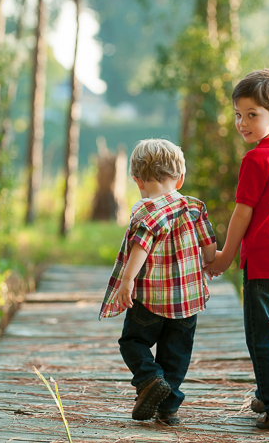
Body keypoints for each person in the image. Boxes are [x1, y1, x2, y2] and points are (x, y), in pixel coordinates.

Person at [204, 69, 269, 432]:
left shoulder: (256, 159)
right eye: (238, 114)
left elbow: (242, 213)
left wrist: (223, 256)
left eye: (252, 115)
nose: (242, 123)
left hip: (266, 261)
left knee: (261, 335)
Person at [98, 138, 217, 426]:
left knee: (133, 341)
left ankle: (150, 379)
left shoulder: (146, 211)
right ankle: (169, 409)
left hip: (151, 299)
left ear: (137, 179)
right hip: (187, 300)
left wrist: (127, 282)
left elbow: (140, 248)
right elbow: (210, 247)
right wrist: (210, 263)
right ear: (181, 178)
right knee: (176, 353)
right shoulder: (194, 207)